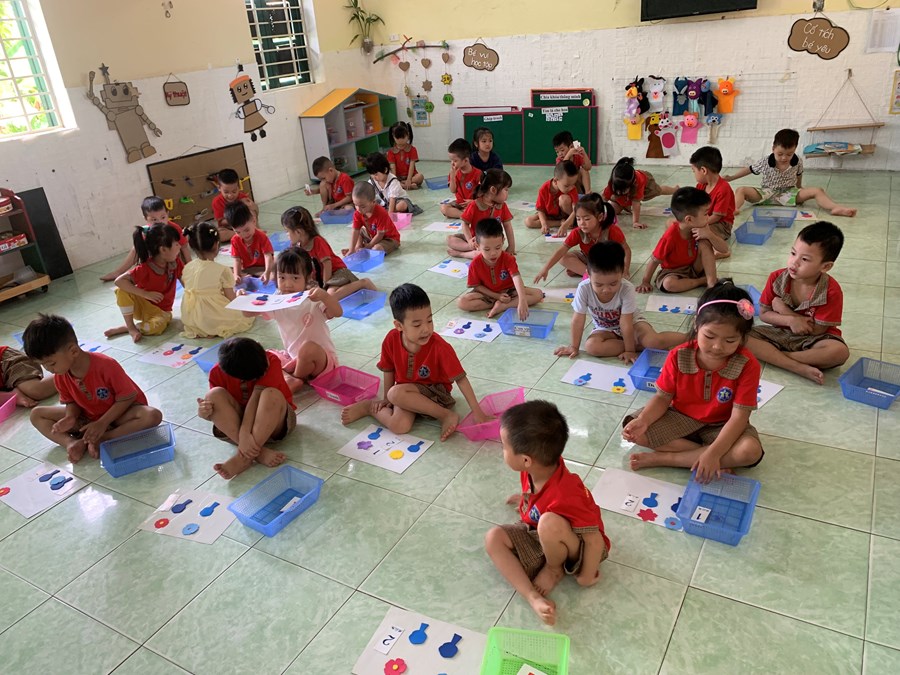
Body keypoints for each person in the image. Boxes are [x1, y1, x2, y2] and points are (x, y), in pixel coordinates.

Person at [622, 281, 765, 480]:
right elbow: (662, 398)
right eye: (710, 336)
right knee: (634, 429)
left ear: (742, 337)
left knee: (750, 451)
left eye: (730, 340)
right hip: (679, 417)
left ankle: (668, 459)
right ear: (697, 324)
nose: (717, 346)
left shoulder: (748, 364)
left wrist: (714, 452)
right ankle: (712, 458)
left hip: (722, 425)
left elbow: (739, 418)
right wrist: (644, 420)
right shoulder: (678, 355)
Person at [484, 400, 610, 626]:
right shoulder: (537, 466)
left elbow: (594, 539)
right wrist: (526, 500)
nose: (501, 450)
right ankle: (533, 598)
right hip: (544, 534)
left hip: (580, 546)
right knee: (493, 538)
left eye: (504, 446)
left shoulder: (568, 492)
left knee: (549, 522)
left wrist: (587, 575)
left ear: (525, 459)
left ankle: (553, 569)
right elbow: (541, 495)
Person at [340, 283, 490, 441]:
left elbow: (461, 379)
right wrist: (386, 399)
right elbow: (388, 369)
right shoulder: (391, 339)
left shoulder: (440, 347)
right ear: (399, 325)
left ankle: (445, 415)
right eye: (417, 324)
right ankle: (369, 407)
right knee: (399, 426)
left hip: (436, 394)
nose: (426, 329)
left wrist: (478, 412)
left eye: (429, 321)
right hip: (405, 394)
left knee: (395, 393)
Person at [24, 314, 162, 463]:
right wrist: (70, 417)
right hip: (88, 416)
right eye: (43, 365)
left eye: (51, 364)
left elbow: (127, 398)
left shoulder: (106, 365)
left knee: (152, 415)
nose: (48, 369)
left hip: (120, 414)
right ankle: (71, 443)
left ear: (73, 351)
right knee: (36, 414)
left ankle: (104, 438)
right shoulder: (60, 375)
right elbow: (71, 401)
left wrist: (102, 423)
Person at [746, 221, 849, 385]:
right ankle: (797, 366)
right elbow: (764, 314)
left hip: (813, 339)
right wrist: (789, 321)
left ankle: (778, 357)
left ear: (825, 266)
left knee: (839, 352)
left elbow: (817, 330)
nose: (794, 262)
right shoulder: (776, 278)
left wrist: (785, 310)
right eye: (793, 253)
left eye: (805, 259)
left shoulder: (831, 291)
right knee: (740, 336)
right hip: (779, 333)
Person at [554, 241, 685, 363]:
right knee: (591, 347)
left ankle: (690, 337)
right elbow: (578, 319)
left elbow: (626, 322)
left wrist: (630, 351)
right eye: (598, 284)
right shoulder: (584, 288)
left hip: (633, 324)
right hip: (605, 328)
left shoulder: (626, 288)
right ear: (588, 274)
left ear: (622, 273)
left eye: (613, 283)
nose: (606, 290)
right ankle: (640, 345)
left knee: (653, 341)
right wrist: (574, 347)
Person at [198, 336, 295, 480]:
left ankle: (243, 457)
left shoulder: (270, 360)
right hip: (238, 432)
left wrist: (245, 433)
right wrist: (205, 413)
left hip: (273, 423)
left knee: (271, 394)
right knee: (214, 395)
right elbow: (219, 411)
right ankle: (257, 452)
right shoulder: (217, 372)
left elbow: (256, 398)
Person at [257, 247, 342, 393]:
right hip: (293, 358)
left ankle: (295, 379)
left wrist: (325, 296)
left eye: (295, 278)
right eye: (282, 277)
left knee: (308, 349)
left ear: (308, 277)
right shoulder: (277, 300)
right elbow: (248, 313)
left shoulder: (314, 298)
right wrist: (241, 297)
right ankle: (292, 377)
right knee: (261, 353)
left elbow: (338, 312)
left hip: (321, 362)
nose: (288, 284)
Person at [724, 128, 856, 217]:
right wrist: (732, 177)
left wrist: (799, 188)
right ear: (773, 148)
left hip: (789, 194)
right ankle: (733, 209)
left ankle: (834, 207)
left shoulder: (797, 161)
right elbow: (750, 169)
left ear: (794, 150)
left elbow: (799, 174)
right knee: (741, 190)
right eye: (780, 154)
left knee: (818, 190)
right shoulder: (765, 161)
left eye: (789, 154)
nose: (784, 158)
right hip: (767, 193)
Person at [105, 222, 183, 342]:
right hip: (142, 306)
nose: (179, 246)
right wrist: (145, 294)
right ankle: (130, 327)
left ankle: (130, 328)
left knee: (156, 326)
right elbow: (119, 281)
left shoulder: (176, 263)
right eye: (176, 244)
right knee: (121, 290)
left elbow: (186, 282)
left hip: (162, 312)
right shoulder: (145, 268)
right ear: (163, 249)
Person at [636, 187, 722, 294]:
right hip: (673, 272)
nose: (708, 217)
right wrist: (645, 282)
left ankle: (711, 282)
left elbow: (724, 249)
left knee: (705, 243)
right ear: (689, 219)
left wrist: (710, 235)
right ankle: (701, 281)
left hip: (695, 267)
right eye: (705, 214)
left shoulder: (702, 228)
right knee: (668, 284)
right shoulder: (670, 236)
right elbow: (654, 260)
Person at [281, 205, 376, 300]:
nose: (287, 235)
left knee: (330, 296)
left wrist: (325, 285)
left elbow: (327, 265)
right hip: (320, 278)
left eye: (287, 231)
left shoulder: (317, 242)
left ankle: (363, 283)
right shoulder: (296, 246)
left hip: (337, 273)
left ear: (298, 232)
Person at [179, 220, 254, 339]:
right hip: (213, 315)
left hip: (191, 317)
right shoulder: (222, 270)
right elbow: (231, 299)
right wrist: (239, 296)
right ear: (216, 245)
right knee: (245, 313)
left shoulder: (188, 267)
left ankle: (202, 329)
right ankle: (212, 327)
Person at [457, 218, 543, 319]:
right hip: (488, 294)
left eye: (498, 248)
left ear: (503, 241)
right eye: (487, 249)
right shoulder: (475, 263)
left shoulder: (508, 258)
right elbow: (477, 286)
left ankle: (503, 306)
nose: (493, 253)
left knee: (538, 294)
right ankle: (501, 303)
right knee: (462, 302)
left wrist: (522, 300)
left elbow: (516, 278)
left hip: (509, 292)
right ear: (477, 245)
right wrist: (497, 296)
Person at [534, 193, 630, 281]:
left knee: (613, 268)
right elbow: (561, 251)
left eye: (587, 219)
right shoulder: (578, 232)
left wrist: (625, 269)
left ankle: (594, 273)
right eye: (578, 219)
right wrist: (545, 269)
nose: (582, 223)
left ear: (600, 217)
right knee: (564, 258)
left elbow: (626, 250)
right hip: (589, 259)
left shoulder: (612, 230)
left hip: (608, 261)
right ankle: (591, 276)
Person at [100, 196, 191, 281]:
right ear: (146, 219)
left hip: (173, 260)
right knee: (136, 250)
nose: (160, 222)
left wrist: (190, 266)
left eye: (163, 217)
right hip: (156, 262)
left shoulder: (174, 228)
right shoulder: (145, 232)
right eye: (154, 220)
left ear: (167, 214)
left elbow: (184, 247)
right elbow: (137, 251)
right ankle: (118, 272)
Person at [446, 169, 515, 259]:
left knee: (484, 254)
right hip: (476, 240)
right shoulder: (474, 205)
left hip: (494, 243)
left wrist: (511, 246)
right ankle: (472, 249)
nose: (507, 193)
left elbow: (508, 226)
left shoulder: (502, 206)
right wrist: (470, 241)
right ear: (493, 190)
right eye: (506, 190)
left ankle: (461, 254)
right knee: (450, 239)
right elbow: (465, 224)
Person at [602, 157, 678, 230]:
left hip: (646, 183)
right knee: (614, 210)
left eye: (623, 190)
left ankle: (675, 190)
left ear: (632, 184)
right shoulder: (613, 183)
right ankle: (625, 205)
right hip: (628, 188)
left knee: (658, 191)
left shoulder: (637, 184)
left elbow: (636, 203)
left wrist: (635, 222)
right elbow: (603, 198)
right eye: (617, 189)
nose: (619, 192)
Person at [691, 146, 735, 258]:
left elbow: (717, 217)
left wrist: (700, 224)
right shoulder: (701, 186)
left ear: (703, 170)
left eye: (694, 171)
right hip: (706, 219)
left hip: (722, 224)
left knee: (702, 234)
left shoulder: (723, 188)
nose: (694, 174)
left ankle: (721, 251)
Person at [524, 160, 579, 237]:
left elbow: (576, 209)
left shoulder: (572, 188)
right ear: (556, 181)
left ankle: (569, 222)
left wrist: (566, 224)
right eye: (567, 186)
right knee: (528, 221)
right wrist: (544, 224)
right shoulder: (543, 189)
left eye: (573, 184)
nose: (571, 188)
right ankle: (559, 222)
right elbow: (540, 210)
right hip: (550, 216)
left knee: (564, 199)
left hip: (566, 215)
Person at [345, 182, 401, 256]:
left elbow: (380, 234)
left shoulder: (381, 212)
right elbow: (355, 230)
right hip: (373, 235)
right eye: (355, 205)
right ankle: (358, 247)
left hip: (389, 239)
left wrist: (369, 246)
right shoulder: (358, 212)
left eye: (363, 206)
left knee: (376, 249)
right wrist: (351, 250)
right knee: (358, 231)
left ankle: (366, 248)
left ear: (373, 202)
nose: (358, 209)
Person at [227, 201, 275, 286]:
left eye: (247, 230)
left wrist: (267, 272)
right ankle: (248, 278)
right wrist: (236, 275)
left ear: (254, 221)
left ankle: (252, 278)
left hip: (262, 268)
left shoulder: (261, 236)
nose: (244, 235)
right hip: (247, 270)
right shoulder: (235, 240)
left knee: (274, 274)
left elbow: (268, 256)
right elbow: (237, 260)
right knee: (227, 272)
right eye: (238, 232)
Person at [212, 168, 259, 242]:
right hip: (229, 228)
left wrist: (253, 207)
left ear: (239, 187)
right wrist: (235, 220)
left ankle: (251, 231)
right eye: (226, 192)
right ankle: (240, 234)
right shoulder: (217, 201)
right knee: (216, 235)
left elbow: (255, 213)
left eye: (234, 191)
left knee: (252, 213)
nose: (230, 195)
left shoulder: (243, 198)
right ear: (219, 188)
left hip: (245, 225)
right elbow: (221, 222)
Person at [440, 138, 483, 219]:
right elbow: (453, 190)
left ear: (466, 160)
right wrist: (452, 177)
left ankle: (467, 214)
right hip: (460, 204)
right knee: (443, 208)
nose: (452, 163)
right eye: (451, 160)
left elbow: (484, 194)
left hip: (473, 204)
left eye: (455, 161)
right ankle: (465, 215)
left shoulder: (477, 173)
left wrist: (474, 202)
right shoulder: (453, 172)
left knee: (483, 206)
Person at [386, 121, 424, 190]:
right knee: (387, 178)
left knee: (420, 177)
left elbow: (411, 166)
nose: (400, 140)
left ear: (408, 135)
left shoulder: (412, 149)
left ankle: (402, 185)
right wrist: (395, 180)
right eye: (397, 138)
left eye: (403, 137)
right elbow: (393, 169)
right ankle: (407, 185)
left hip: (411, 176)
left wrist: (409, 179)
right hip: (397, 177)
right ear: (393, 136)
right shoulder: (391, 152)